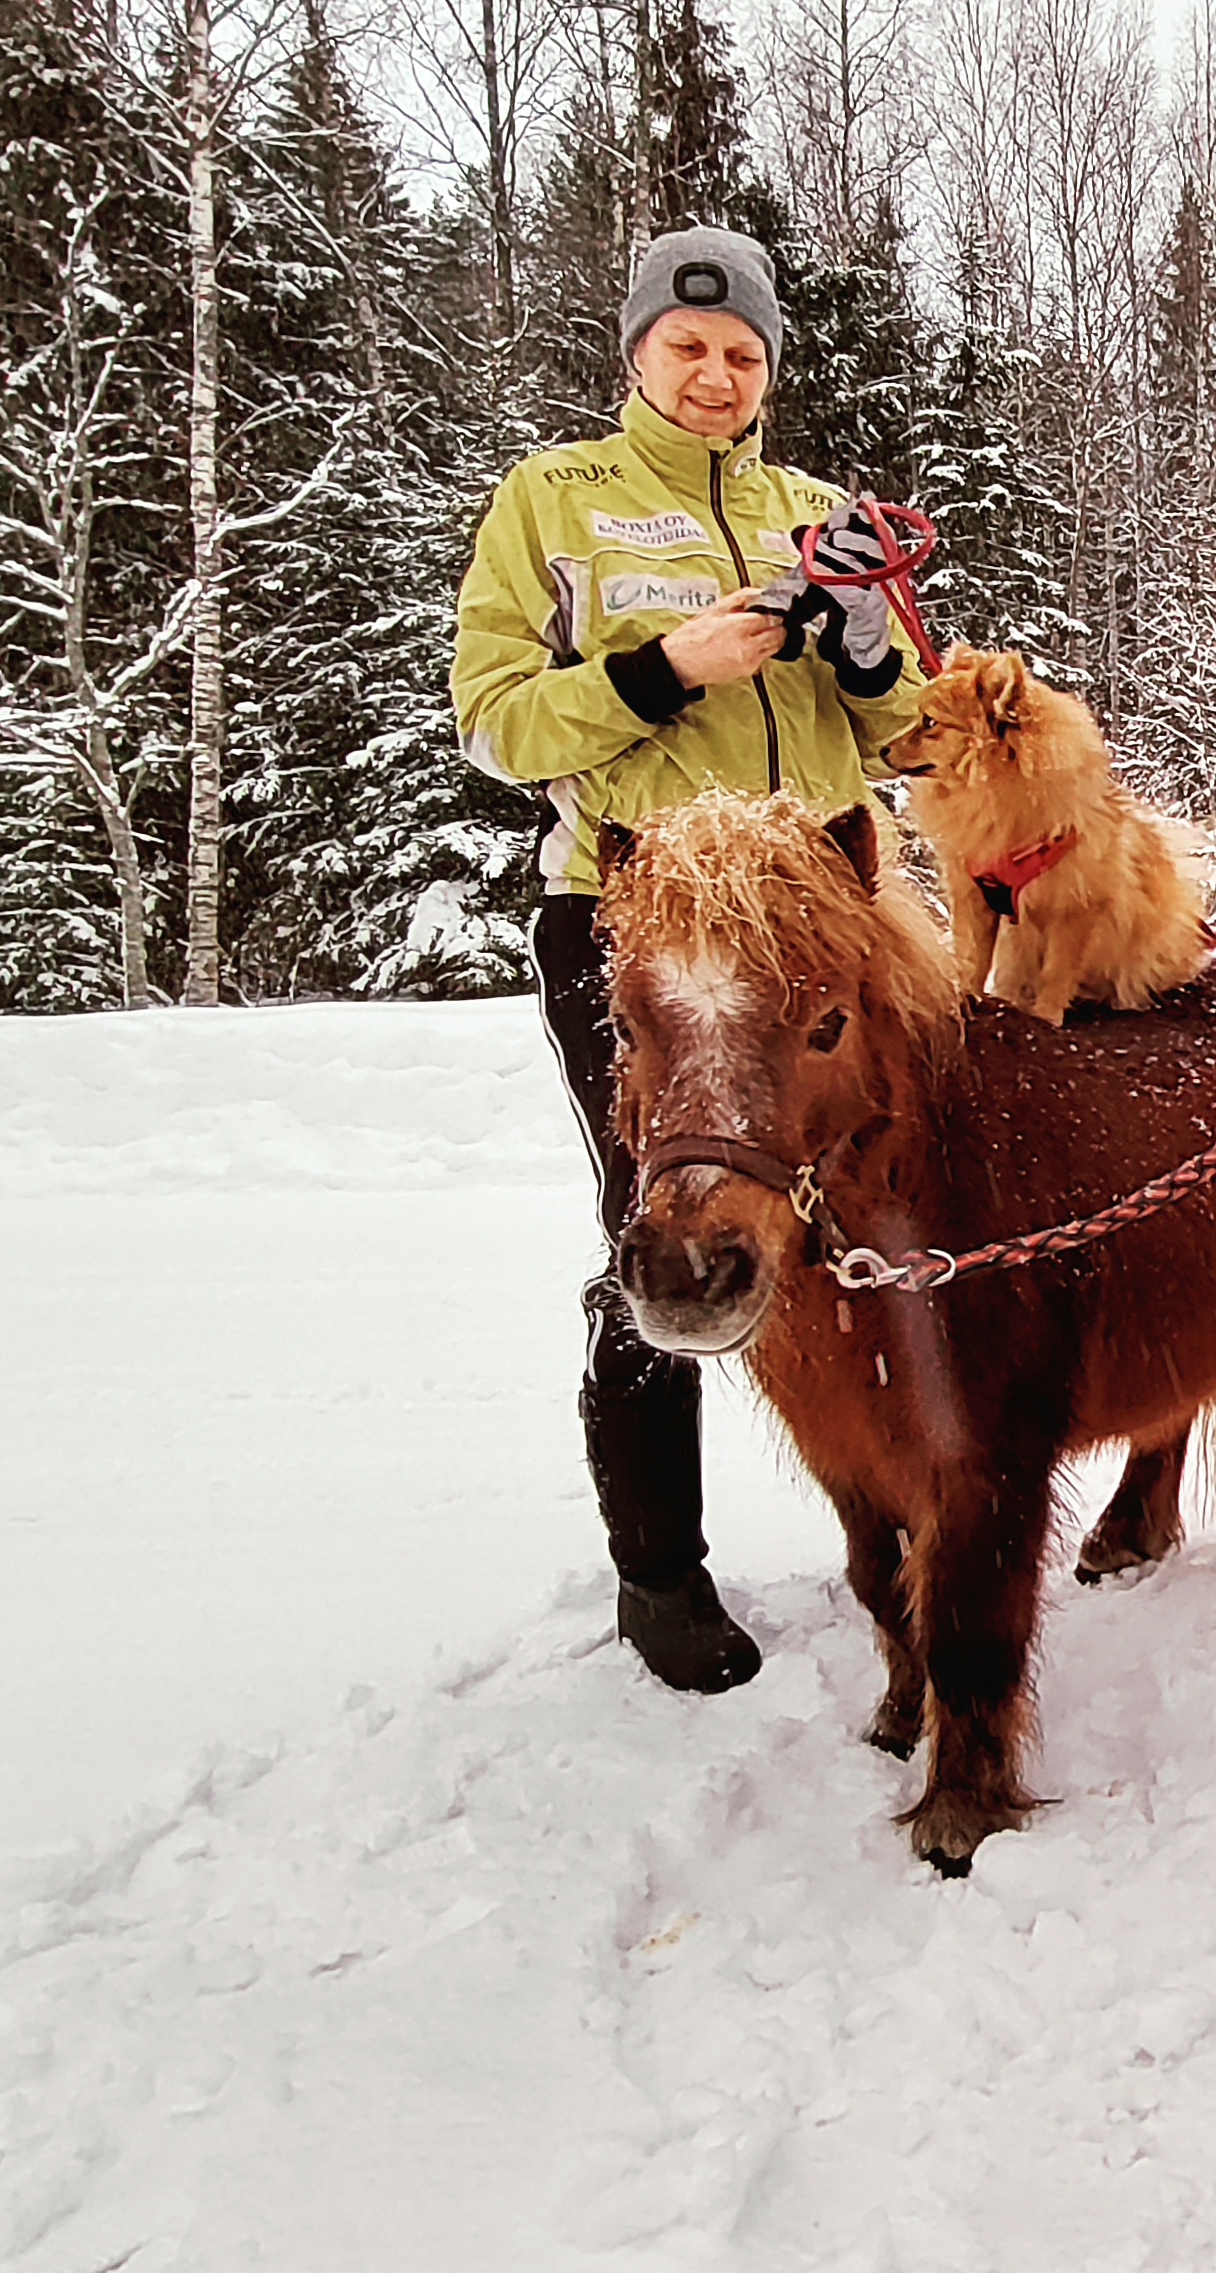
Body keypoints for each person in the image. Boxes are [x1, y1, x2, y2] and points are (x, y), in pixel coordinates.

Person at [451, 225, 925, 1693]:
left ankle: (908, 1508)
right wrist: (666, 669)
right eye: (688, 348)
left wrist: (857, 648)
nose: (717, 375)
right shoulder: (554, 500)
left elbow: (905, 729)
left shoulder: (812, 510)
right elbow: (493, 724)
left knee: (897, 1213)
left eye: (742, 354)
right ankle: (659, 1568)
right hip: (641, 925)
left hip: (825, 937)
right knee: (663, 1223)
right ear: (638, 354)